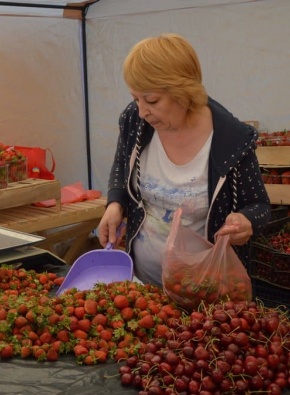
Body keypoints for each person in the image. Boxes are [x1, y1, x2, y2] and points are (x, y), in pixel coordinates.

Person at [98, 33, 271, 287]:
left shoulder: (232, 140)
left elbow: (260, 206)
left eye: (152, 100)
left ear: (183, 91)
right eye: (136, 98)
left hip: (205, 291)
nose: (142, 110)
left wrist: (246, 222)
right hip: (143, 284)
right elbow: (122, 166)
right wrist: (115, 204)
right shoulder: (135, 121)